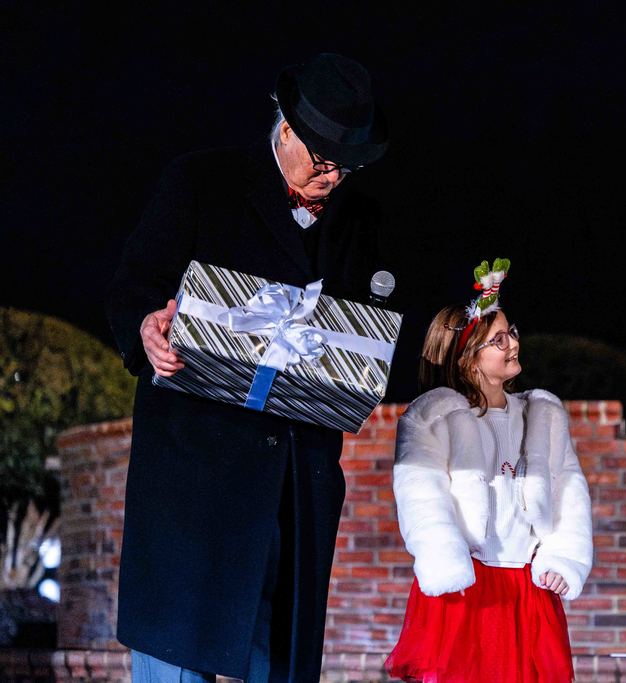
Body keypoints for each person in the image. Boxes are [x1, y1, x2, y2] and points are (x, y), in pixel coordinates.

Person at [105, 53, 389, 682]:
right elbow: (133, 288)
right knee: (176, 658)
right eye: (322, 160)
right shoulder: (201, 182)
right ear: (285, 128)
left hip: (294, 487)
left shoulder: (362, 222)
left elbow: (372, 332)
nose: (332, 177)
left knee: (280, 659)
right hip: (195, 483)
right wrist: (147, 329)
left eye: (346, 166)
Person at [385, 260, 593, 683]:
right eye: (498, 339)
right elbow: (421, 493)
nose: (513, 343)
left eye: (511, 332)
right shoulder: (435, 417)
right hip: (469, 585)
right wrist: (442, 555)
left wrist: (564, 556)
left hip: (526, 585)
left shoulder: (541, 416)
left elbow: (569, 489)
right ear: (468, 360)